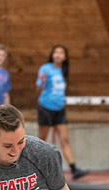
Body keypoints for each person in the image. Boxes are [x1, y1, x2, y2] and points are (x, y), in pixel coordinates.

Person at [35, 44, 84, 180]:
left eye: (61, 53)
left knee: (65, 139)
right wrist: (41, 83)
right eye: (55, 52)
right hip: (46, 107)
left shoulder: (64, 71)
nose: (57, 55)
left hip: (60, 109)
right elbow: (38, 89)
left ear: (65, 57)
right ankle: (35, 169)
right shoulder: (45, 69)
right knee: (42, 141)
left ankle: (74, 169)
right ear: (52, 55)